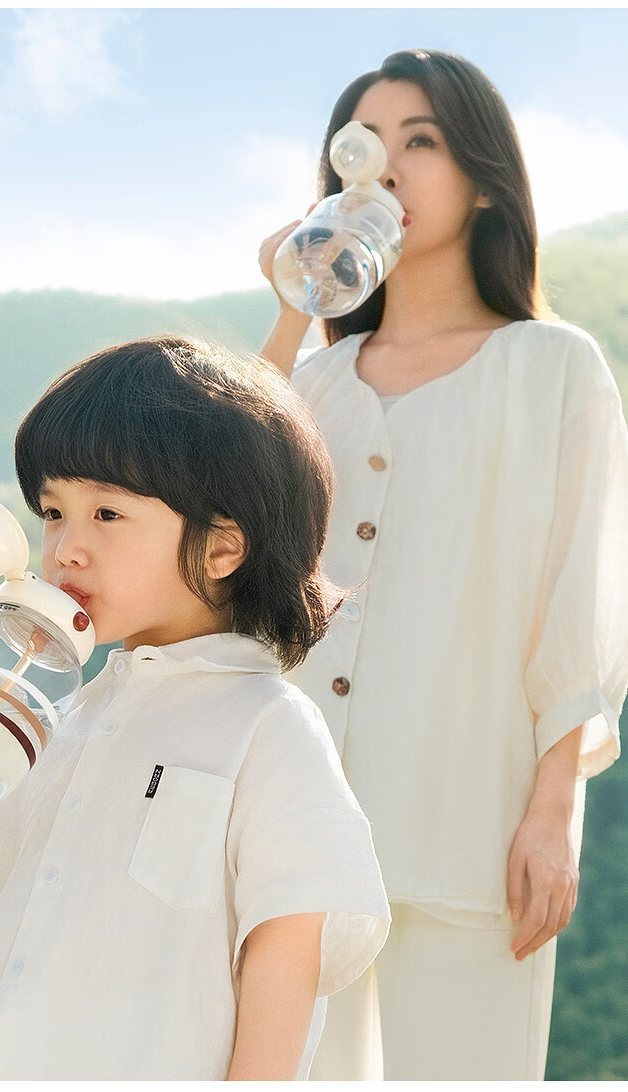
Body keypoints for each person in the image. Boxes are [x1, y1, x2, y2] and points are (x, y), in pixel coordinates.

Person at [258, 48, 628, 1081]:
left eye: (420, 140)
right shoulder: (316, 382)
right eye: (364, 146)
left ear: (484, 177)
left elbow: (579, 600)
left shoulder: (553, 368)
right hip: (297, 839)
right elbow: (221, 511)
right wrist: (293, 301)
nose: (387, 168)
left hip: (472, 825)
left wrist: (554, 812)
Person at [0, 335, 390, 1080]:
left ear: (222, 548)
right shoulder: (60, 720)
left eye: (107, 513)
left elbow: (288, 943)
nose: (65, 548)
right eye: (53, 511)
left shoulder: (267, 726)